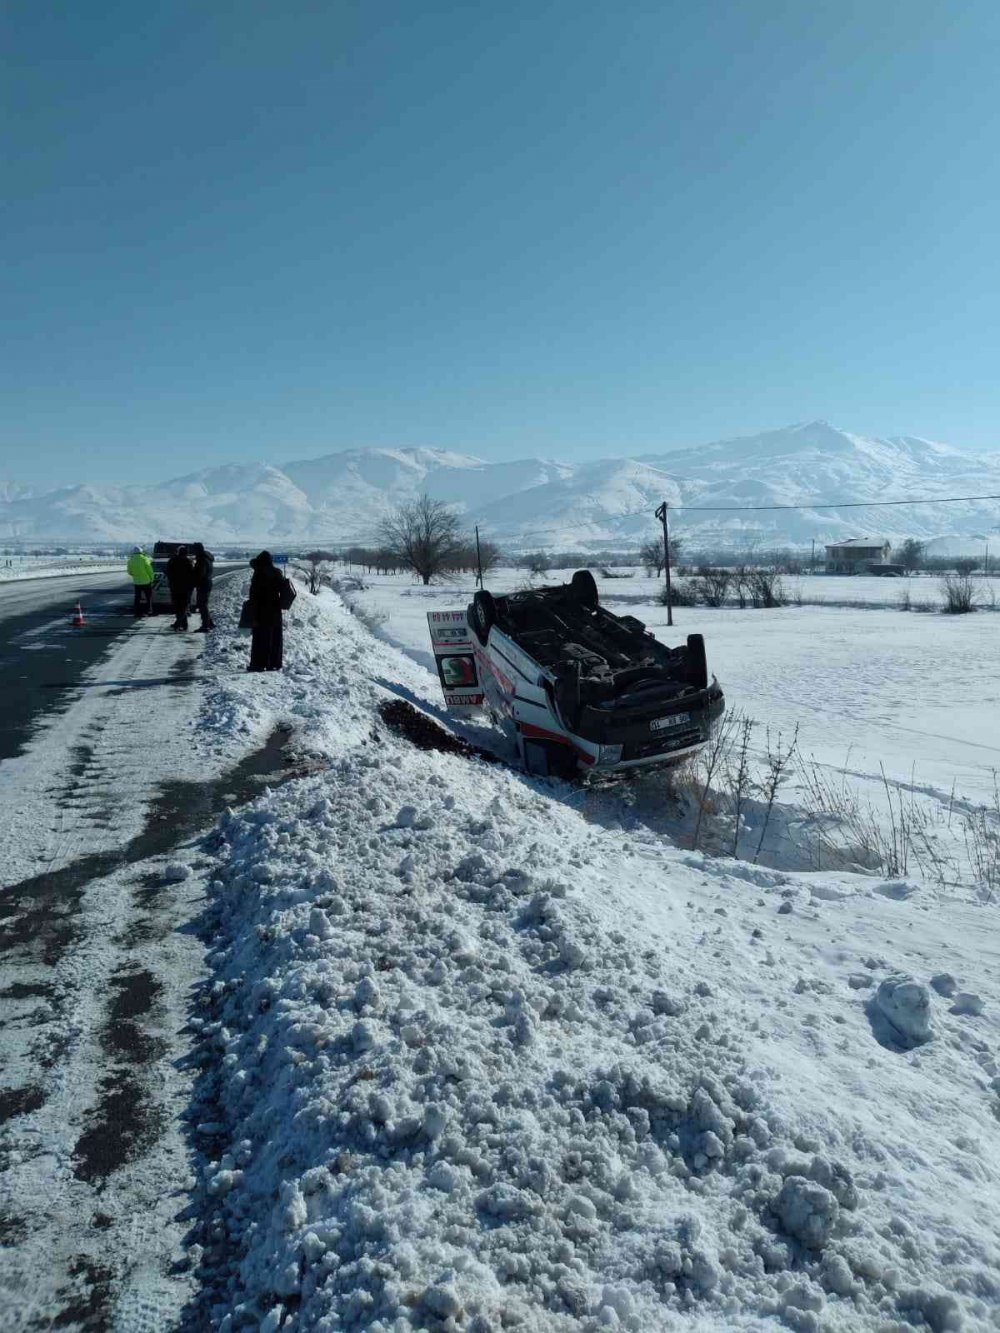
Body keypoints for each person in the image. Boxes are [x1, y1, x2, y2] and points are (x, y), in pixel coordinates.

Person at [247, 550, 284, 671]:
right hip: (275, 609)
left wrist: (252, 610)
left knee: (260, 637)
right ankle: (273, 663)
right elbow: (282, 588)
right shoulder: (277, 572)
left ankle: (258, 664)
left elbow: (254, 593)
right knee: (274, 637)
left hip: (261, 609)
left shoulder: (259, 573)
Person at [165, 545, 195, 630]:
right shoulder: (188, 561)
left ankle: (179, 623)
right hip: (186, 588)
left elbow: (167, 571)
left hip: (175, 587)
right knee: (184, 606)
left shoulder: (173, 560)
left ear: (178, 552)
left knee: (178, 606)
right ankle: (183, 624)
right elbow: (192, 574)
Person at [192, 542, 215, 632]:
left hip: (203, 584)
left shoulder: (202, 560)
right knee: (203, 604)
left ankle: (205, 626)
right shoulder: (206, 558)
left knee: (202, 605)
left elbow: (200, 574)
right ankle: (209, 623)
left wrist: (194, 582)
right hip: (206, 583)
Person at [126, 545, 154, 617]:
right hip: (146, 581)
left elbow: (129, 572)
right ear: (141, 552)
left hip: (137, 582)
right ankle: (149, 611)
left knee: (137, 597)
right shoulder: (145, 559)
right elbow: (149, 570)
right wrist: (152, 579)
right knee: (148, 597)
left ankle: (137, 612)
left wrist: (135, 575)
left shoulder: (130, 560)